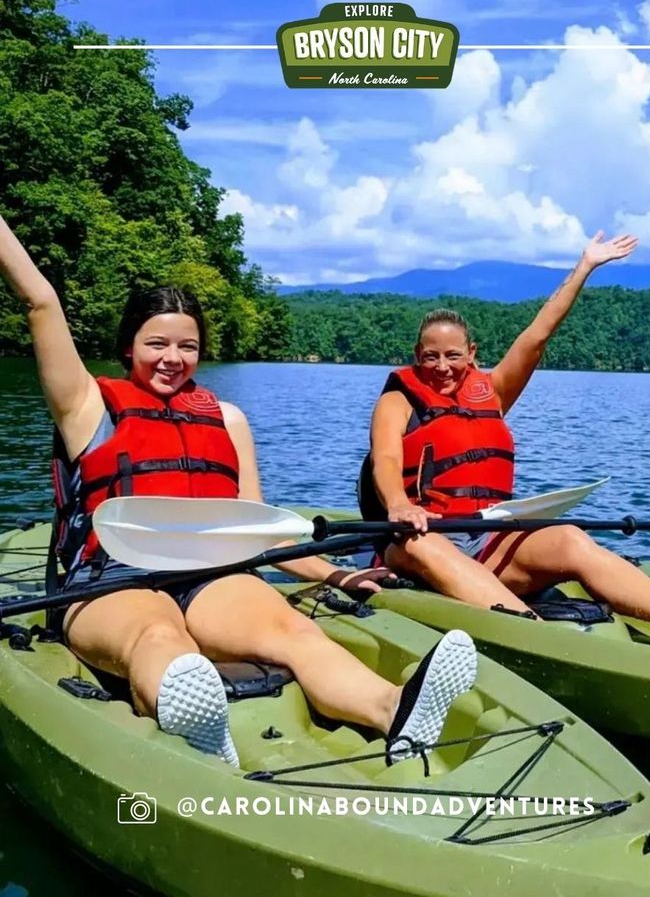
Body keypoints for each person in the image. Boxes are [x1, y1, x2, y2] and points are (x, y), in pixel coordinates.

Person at [0, 214, 477, 767]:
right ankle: (199, 724)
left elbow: (257, 533)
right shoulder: (86, 406)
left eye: (188, 346)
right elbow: (40, 300)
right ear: (127, 348)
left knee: (293, 631)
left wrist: (339, 574)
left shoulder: (227, 420)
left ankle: (397, 711)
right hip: (112, 579)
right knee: (159, 639)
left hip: (212, 575)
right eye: (157, 343)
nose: (172, 358)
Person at [363, 232, 650, 653]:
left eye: (453, 355)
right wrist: (398, 504)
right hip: (415, 540)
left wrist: (585, 266)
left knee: (570, 538)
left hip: (486, 539)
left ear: (472, 353)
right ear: (418, 355)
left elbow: (538, 334)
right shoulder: (397, 401)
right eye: (431, 356)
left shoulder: (494, 391)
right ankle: (537, 634)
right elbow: (387, 460)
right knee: (425, 546)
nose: (443, 367)